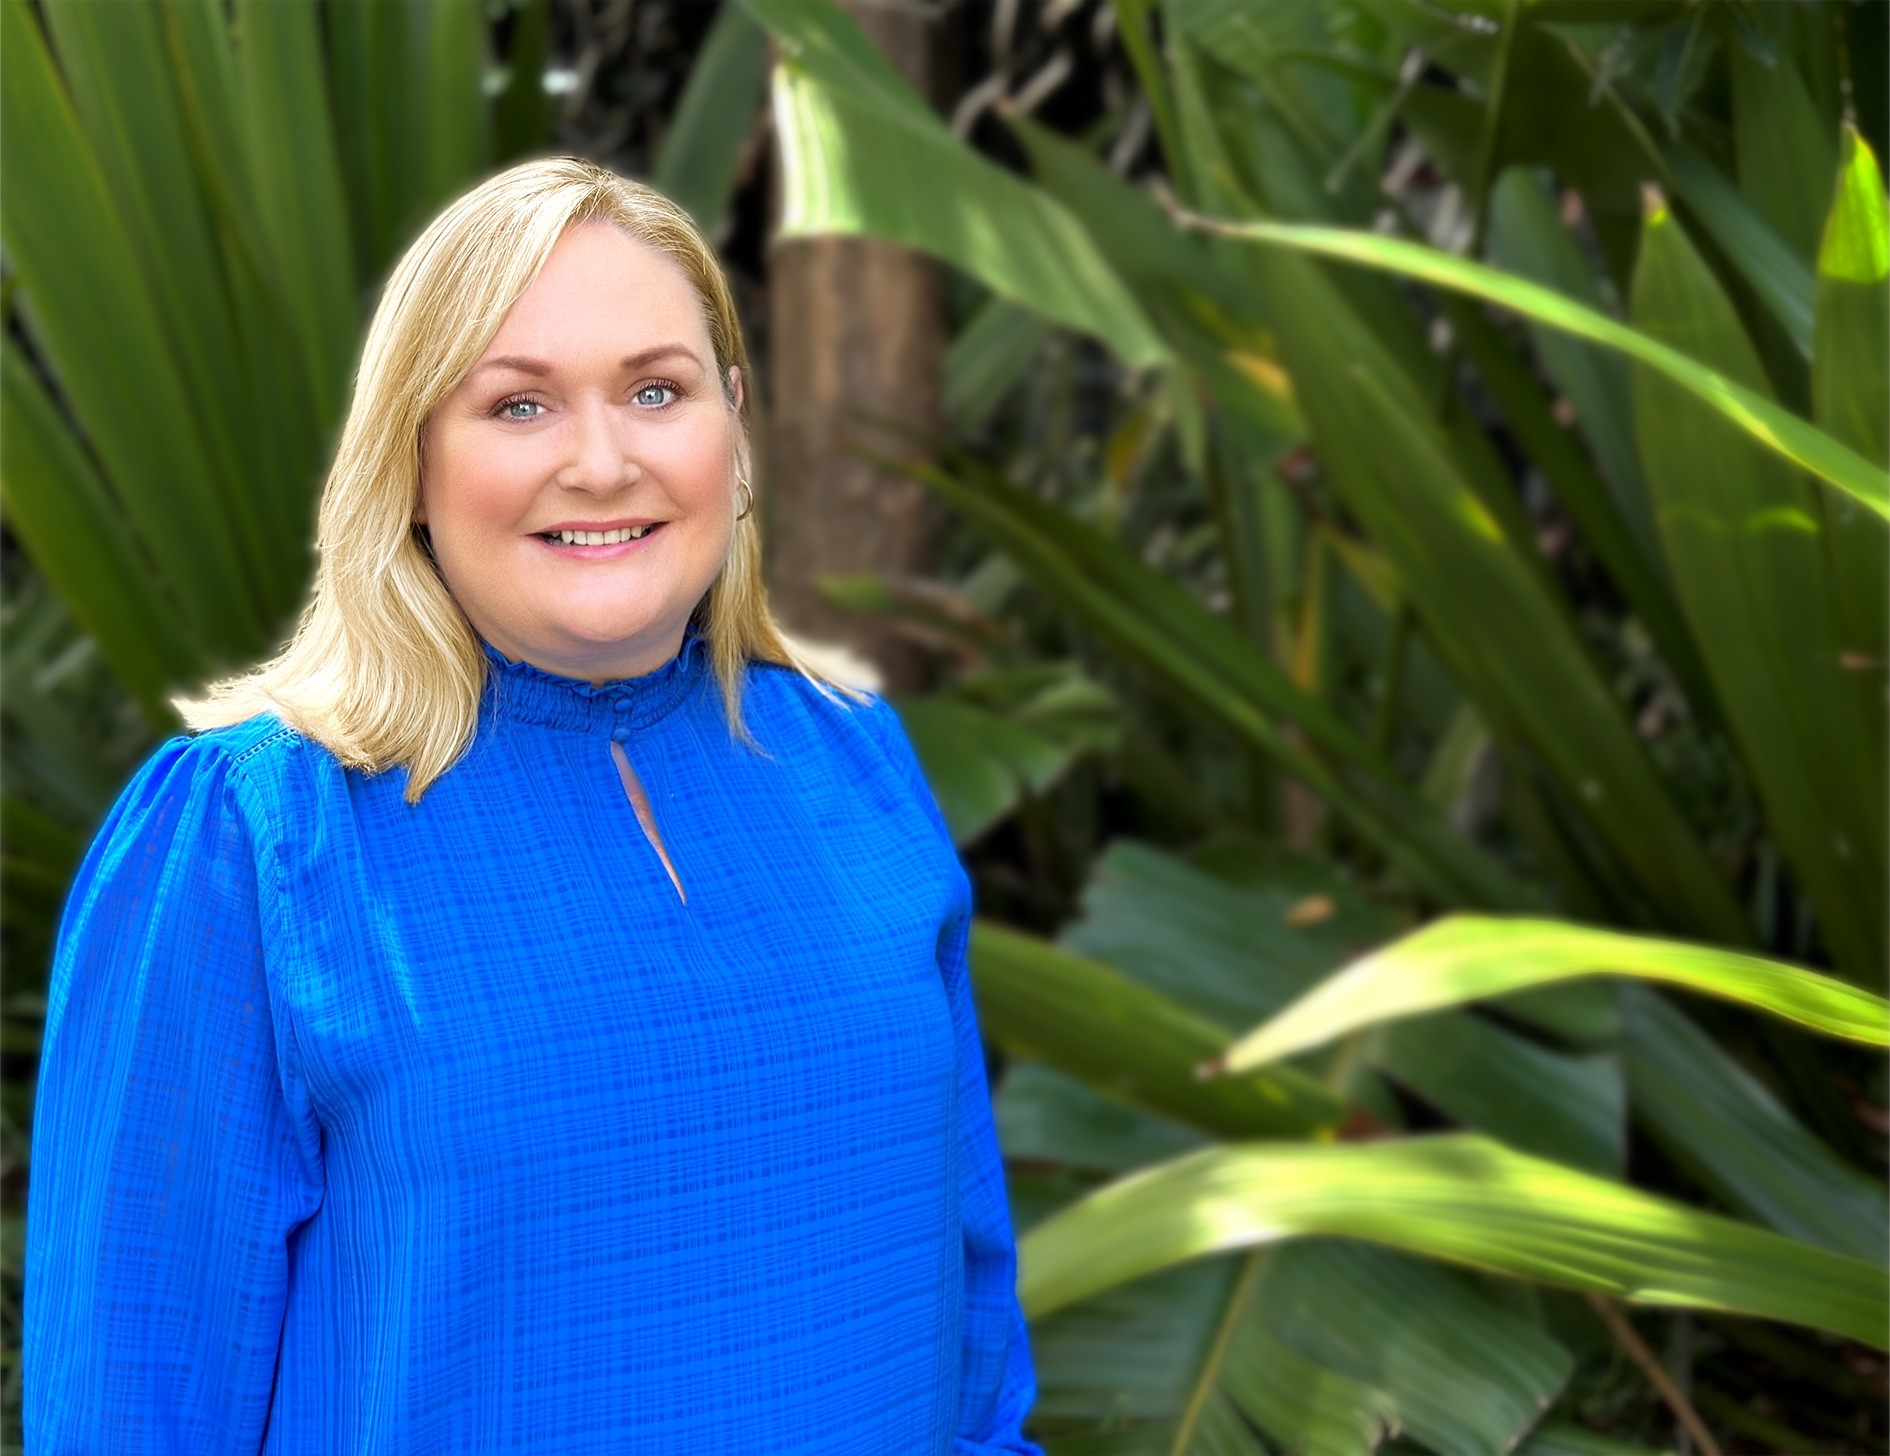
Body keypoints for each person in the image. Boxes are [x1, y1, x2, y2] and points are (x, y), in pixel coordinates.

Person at [24, 155, 1044, 1455]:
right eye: (517, 406)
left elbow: (971, 1354)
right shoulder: (250, 837)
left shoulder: (859, 770)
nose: (602, 461)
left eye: (655, 390)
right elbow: (131, 1406)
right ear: (411, 458)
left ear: (733, 427)